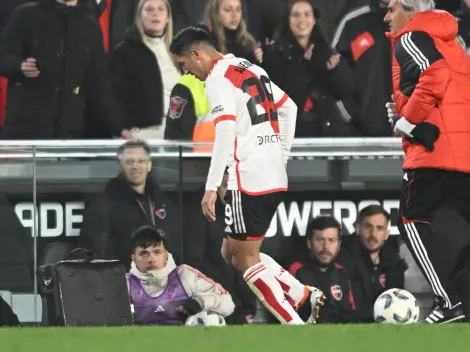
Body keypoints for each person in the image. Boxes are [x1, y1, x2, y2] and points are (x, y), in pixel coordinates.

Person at [169, 26, 325, 325]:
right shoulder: (248, 67)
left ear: (196, 54)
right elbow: (288, 108)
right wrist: (280, 155)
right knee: (231, 251)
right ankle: (301, 293)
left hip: (249, 178)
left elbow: (225, 131)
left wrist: (212, 185)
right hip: (274, 175)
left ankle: (295, 324)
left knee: (244, 259)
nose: (186, 72)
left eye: (184, 64)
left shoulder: (216, 78)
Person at [385, 0, 470, 323]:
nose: (387, 17)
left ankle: (447, 303)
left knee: (410, 219)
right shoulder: (453, 42)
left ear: (411, 11)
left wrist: (407, 121)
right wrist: (403, 109)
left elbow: (435, 74)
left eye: (392, 9)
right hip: (464, 151)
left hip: (436, 152)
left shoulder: (412, 36)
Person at [0, 0, 131, 139]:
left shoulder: (90, 26)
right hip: (24, 131)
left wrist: (118, 128)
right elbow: (3, 57)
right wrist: (19, 66)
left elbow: (99, 87)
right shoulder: (24, 15)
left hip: (68, 134)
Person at [127, 225, 235, 325]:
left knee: (210, 319)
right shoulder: (125, 284)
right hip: (142, 343)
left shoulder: (184, 275)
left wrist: (200, 302)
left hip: (186, 343)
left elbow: (227, 301)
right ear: (134, 258)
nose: (151, 259)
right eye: (144, 253)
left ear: (166, 255)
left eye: (157, 252)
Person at [338, 205, 407, 322]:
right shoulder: (342, 258)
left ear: (386, 234)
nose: (373, 234)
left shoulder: (394, 262)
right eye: (368, 227)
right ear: (358, 229)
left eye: (379, 228)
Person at [288, 216, 357, 324]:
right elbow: (289, 314)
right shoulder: (297, 270)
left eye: (331, 240)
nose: (326, 247)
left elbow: (350, 314)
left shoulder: (341, 272)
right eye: (320, 240)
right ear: (309, 243)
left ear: (339, 245)